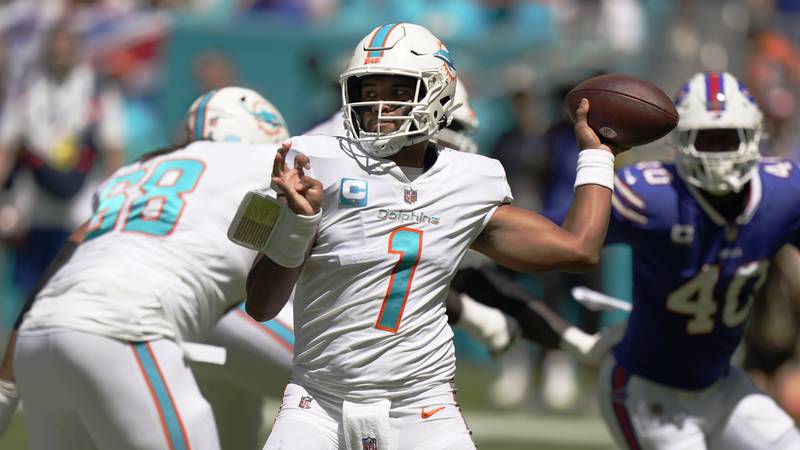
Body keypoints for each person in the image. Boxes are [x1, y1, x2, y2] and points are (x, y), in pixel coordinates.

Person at [236, 22, 627, 449]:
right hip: (319, 403)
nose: (380, 105)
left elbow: (579, 249)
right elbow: (261, 305)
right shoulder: (317, 163)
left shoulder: (469, 181)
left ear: (439, 93)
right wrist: (297, 222)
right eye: (369, 91)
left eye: (399, 91)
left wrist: (595, 157)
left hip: (421, 407)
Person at [9, 86, 290, 450]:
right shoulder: (262, 161)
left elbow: (66, 256)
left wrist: (6, 380)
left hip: (40, 333)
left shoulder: (132, 173)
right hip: (125, 327)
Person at [585, 71, 800, 449]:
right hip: (648, 391)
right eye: (707, 140)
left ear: (753, 137)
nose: (719, 154)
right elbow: (560, 240)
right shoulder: (651, 197)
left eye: (728, 138)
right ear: (682, 142)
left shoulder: (783, 193)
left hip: (722, 383)